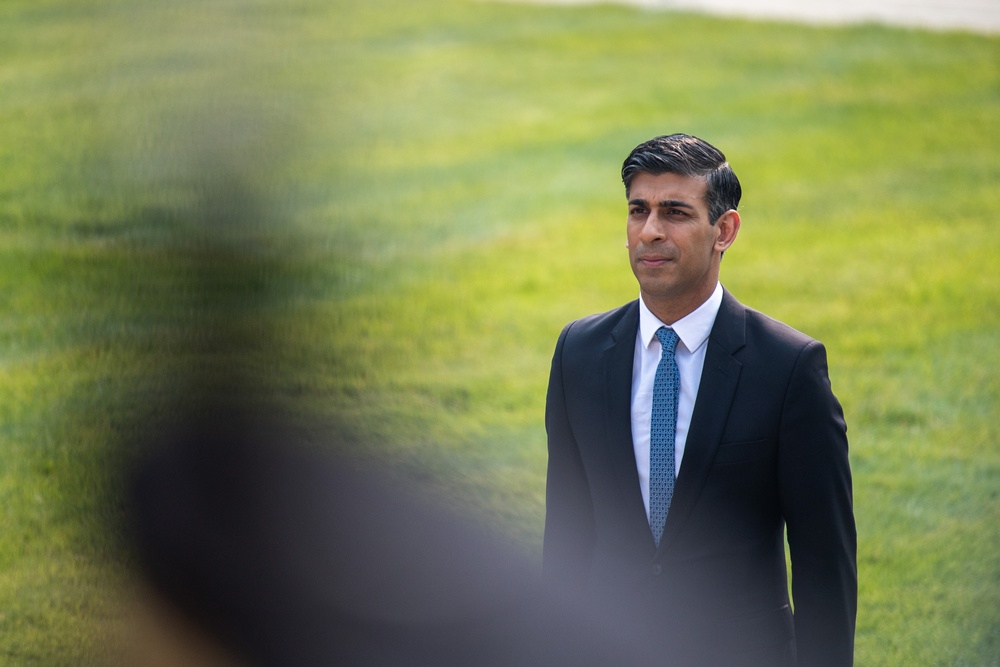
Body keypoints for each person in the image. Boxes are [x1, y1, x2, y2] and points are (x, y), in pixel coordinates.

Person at [543, 133, 857, 666]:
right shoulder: (579, 353)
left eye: (675, 213)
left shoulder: (789, 368)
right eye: (637, 211)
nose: (650, 232)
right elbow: (567, 537)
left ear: (724, 231)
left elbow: (824, 565)